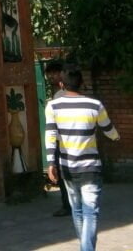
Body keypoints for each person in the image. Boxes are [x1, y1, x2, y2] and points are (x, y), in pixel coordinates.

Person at [45, 64, 120, 251]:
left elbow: (51, 135)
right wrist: (116, 137)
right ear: (82, 83)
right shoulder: (95, 105)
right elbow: (109, 130)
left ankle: (85, 248)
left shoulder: (53, 106)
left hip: (67, 167)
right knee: (90, 213)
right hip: (90, 168)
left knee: (77, 211)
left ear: (62, 84)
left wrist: (50, 163)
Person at [44, 59, 71, 216]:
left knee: (62, 175)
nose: (51, 77)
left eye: (54, 73)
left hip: (62, 141)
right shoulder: (65, 92)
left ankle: (67, 205)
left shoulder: (61, 95)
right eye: (49, 74)